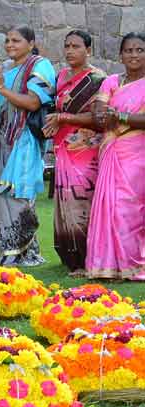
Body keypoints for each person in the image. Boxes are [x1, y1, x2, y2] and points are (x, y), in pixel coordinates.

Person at [0, 26, 55, 266]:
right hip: (1, 139)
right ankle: (8, 251)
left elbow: (34, 103)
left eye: (16, 40)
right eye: (7, 40)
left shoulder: (40, 65)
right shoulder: (3, 68)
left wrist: (2, 86)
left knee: (18, 193)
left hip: (23, 139)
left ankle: (24, 251)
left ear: (31, 42)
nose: (10, 44)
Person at [41, 30, 105, 273]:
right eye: (67, 46)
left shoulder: (98, 79)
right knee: (64, 204)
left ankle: (86, 259)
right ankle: (69, 256)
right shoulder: (61, 77)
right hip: (63, 148)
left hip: (86, 150)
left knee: (81, 204)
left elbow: (100, 119)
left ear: (88, 50)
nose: (70, 51)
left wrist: (64, 117)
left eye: (76, 46)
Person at [85, 32, 145, 281]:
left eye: (139, 50)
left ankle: (135, 265)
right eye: (129, 50)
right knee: (109, 207)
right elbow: (99, 113)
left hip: (137, 153)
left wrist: (119, 117)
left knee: (130, 208)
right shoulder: (110, 81)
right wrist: (103, 115)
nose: (134, 54)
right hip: (111, 150)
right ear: (120, 55)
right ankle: (108, 265)